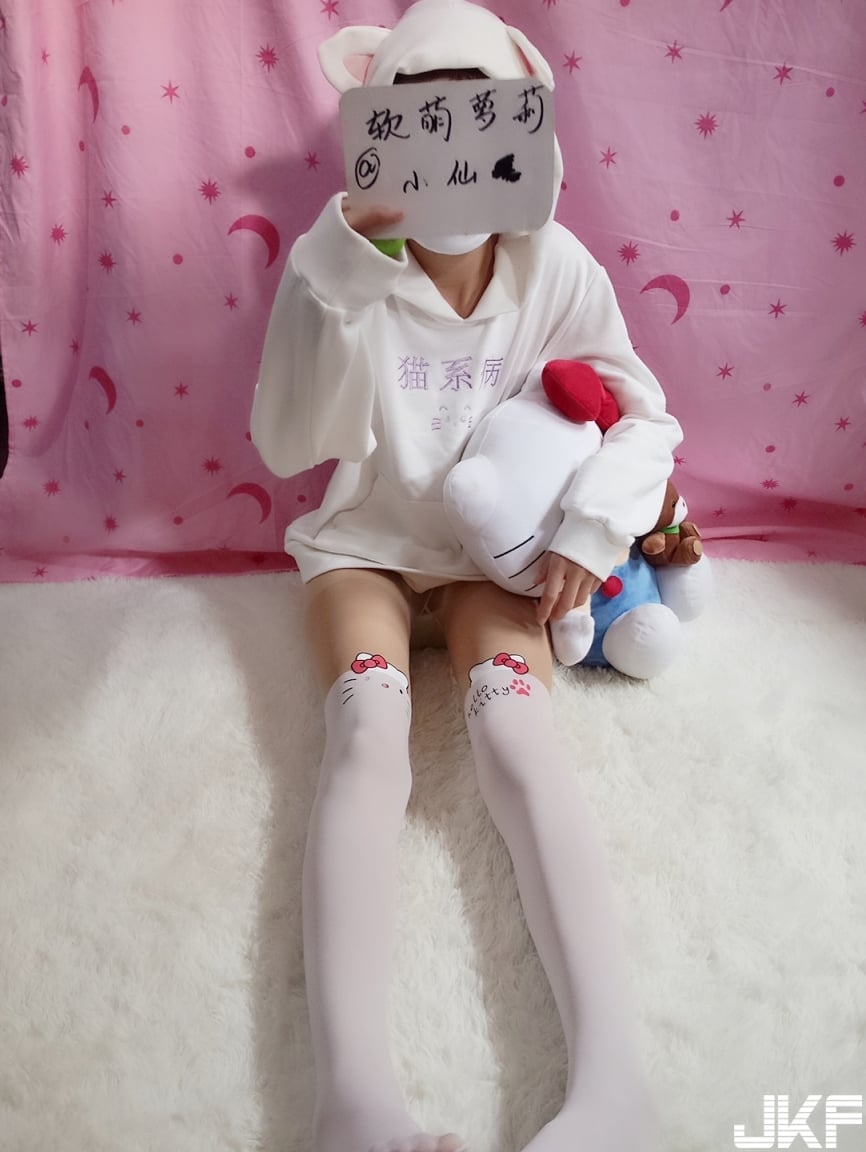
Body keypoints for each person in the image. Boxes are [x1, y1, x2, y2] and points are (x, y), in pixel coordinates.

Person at [250, 3, 682, 1150]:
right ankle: (353, 1103)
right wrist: (336, 274)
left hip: (492, 561)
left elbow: (644, 417)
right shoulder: (340, 263)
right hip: (366, 548)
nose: (451, 150)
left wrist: (590, 527)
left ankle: (614, 1087)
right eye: (420, 118)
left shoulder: (555, 265)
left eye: (480, 115)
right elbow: (287, 440)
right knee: (366, 731)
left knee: (519, 735)